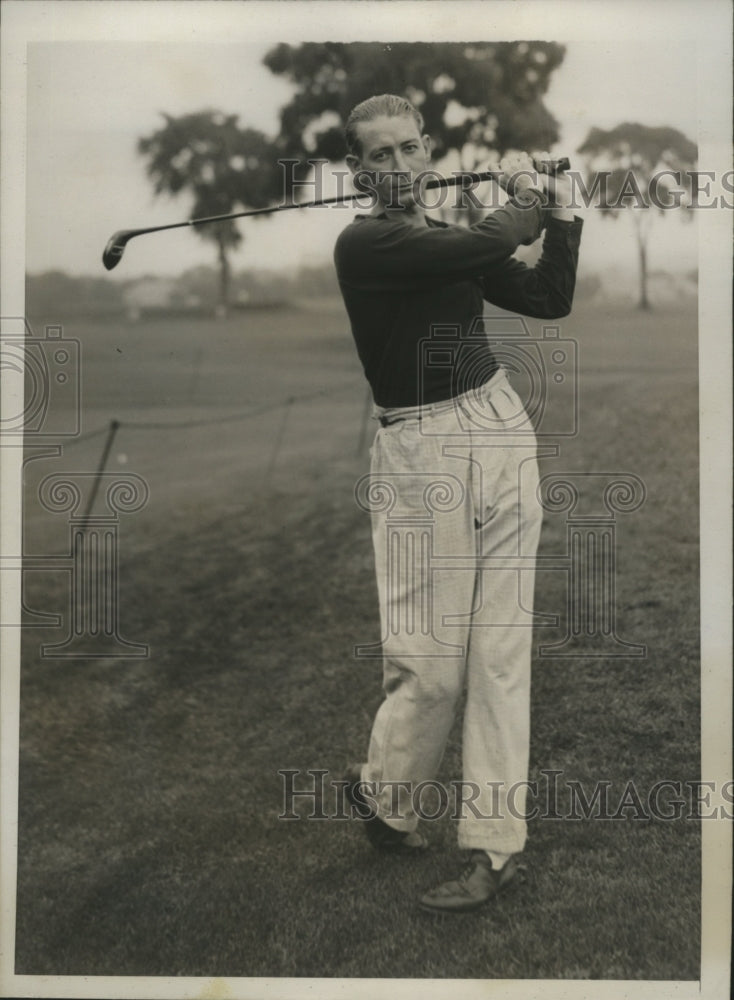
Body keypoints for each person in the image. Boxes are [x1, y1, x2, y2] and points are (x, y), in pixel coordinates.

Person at [333, 93, 582, 913]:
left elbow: (547, 296)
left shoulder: (444, 234)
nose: (400, 167)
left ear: (429, 147)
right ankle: (388, 799)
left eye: (410, 149)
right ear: (359, 168)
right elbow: (497, 235)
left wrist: (566, 216)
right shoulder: (367, 241)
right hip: (417, 452)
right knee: (430, 666)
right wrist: (525, 198)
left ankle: (495, 850)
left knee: (499, 655)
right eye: (381, 156)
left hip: (498, 426)